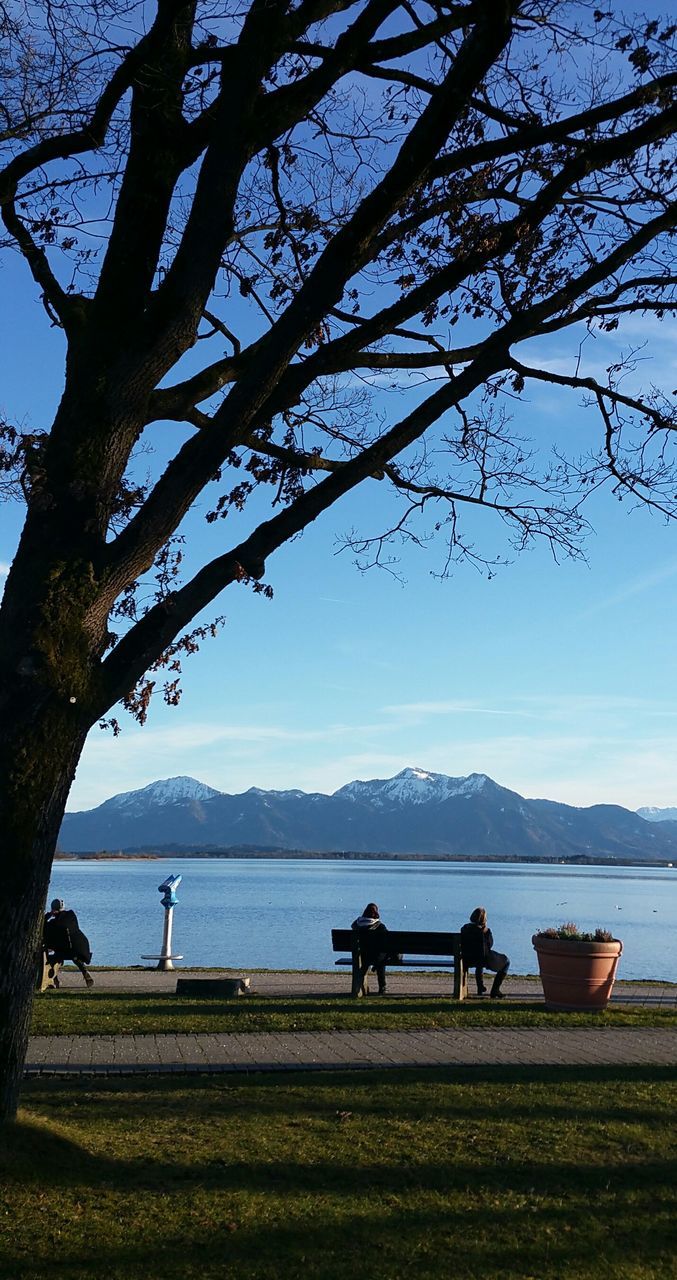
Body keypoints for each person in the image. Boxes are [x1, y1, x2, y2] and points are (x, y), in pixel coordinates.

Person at [460, 906, 510, 998]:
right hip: (484, 959)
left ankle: (480, 987)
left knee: (479, 959)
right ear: (483, 919)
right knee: (506, 962)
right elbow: (490, 945)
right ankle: (495, 990)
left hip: (467, 958)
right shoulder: (485, 931)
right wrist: (486, 931)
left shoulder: (464, 928)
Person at [43, 898, 94, 988]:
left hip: (62, 952)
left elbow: (43, 926)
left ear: (53, 910)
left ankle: (55, 980)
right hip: (78, 950)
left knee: (53, 958)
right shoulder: (71, 916)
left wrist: (48, 915)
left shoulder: (52, 924)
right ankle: (85, 972)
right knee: (75, 957)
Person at [351, 902, 389, 995]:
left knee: (379, 955)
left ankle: (358, 986)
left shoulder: (356, 925)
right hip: (376, 956)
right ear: (376, 913)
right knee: (382, 957)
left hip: (362, 955)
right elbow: (388, 941)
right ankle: (382, 986)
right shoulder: (380, 926)